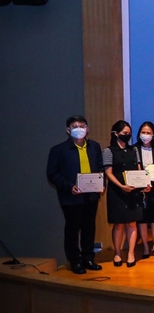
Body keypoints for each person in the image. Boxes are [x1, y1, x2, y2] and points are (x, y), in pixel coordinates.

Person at [46, 115, 104, 274]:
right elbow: (52, 174)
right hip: (71, 197)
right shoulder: (58, 150)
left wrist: (102, 184)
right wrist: (69, 187)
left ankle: (88, 258)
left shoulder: (94, 146)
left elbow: (100, 167)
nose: (79, 129)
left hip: (91, 195)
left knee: (89, 228)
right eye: (75, 126)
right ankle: (75, 261)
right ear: (68, 130)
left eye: (82, 126)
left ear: (87, 129)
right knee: (72, 230)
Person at [102, 120, 146, 267]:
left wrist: (143, 184)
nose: (127, 135)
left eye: (129, 133)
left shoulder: (134, 150)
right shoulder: (108, 151)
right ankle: (117, 253)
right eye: (124, 133)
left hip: (133, 190)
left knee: (132, 223)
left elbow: (139, 169)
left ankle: (131, 253)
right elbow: (108, 173)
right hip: (117, 191)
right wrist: (121, 186)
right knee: (118, 224)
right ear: (116, 134)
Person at [135, 122, 154, 259]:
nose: (146, 135)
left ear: (153, 134)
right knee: (142, 219)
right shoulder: (134, 148)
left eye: (148, 133)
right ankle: (146, 247)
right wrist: (141, 184)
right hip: (141, 189)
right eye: (143, 132)